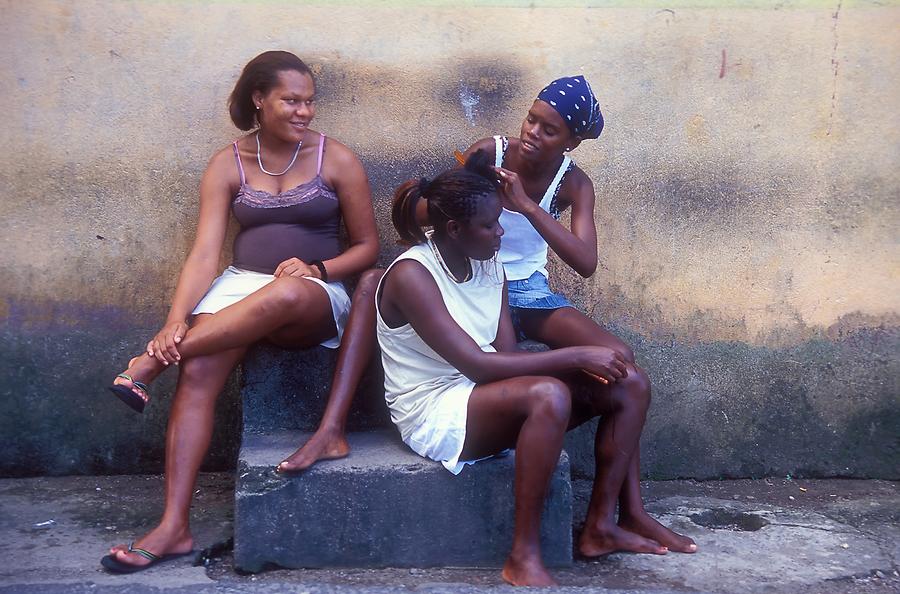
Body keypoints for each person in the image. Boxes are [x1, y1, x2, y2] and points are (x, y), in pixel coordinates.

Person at [101, 50, 379, 573]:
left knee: (286, 292)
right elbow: (206, 253)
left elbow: (368, 248)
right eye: (291, 101)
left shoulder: (336, 158)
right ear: (259, 99)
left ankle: (151, 363)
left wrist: (318, 269)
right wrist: (175, 319)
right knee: (200, 372)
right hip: (238, 288)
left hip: (311, 292)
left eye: (309, 102)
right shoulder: (227, 162)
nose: (304, 112)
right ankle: (174, 526)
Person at [377, 152, 660, 586]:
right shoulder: (412, 274)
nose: (500, 232)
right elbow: (477, 363)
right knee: (548, 393)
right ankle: (522, 554)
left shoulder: (490, 262)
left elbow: (506, 353)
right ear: (454, 229)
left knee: (628, 382)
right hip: (432, 410)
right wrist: (577, 356)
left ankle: (600, 527)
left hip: (483, 393)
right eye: (491, 225)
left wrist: (585, 367)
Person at [461, 76, 697, 558]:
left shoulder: (574, 182)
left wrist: (526, 205)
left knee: (623, 362)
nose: (532, 132)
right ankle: (624, 514)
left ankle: (615, 516)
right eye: (531, 119)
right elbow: (451, 209)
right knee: (607, 368)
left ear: (571, 141)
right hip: (480, 285)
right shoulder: (489, 152)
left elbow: (585, 262)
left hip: (529, 291)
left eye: (549, 130)